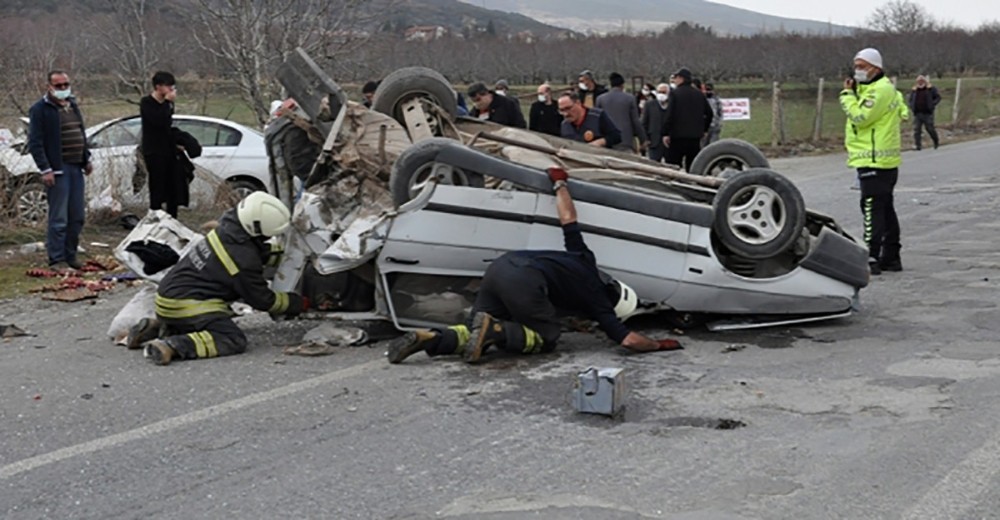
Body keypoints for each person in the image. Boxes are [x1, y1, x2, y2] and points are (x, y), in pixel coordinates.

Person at [386, 167, 682, 365]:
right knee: (548, 337)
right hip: (524, 282)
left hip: (501, 267)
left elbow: (568, 217)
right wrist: (657, 346)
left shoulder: (583, 258)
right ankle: (498, 333)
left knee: (473, 327)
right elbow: (629, 341)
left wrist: (560, 183)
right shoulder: (598, 304)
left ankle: (434, 339)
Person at [127, 192, 309, 365]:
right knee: (231, 338)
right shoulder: (242, 259)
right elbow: (262, 299)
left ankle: (157, 328)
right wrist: (298, 303)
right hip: (188, 305)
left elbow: (253, 251)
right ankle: (173, 346)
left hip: (167, 298)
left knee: (199, 322)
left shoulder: (228, 229)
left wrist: (287, 257)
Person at [839, 48, 908, 275]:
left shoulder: (880, 91)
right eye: (856, 66)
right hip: (877, 159)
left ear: (875, 68)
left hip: (875, 160)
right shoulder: (877, 89)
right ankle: (891, 256)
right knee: (885, 208)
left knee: (871, 208)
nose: (858, 71)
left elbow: (861, 116)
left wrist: (847, 96)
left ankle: (871, 256)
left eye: (862, 66)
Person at [27, 69, 93, 270]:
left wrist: (86, 158)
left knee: (77, 216)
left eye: (66, 84)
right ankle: (57, 259)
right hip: (58, 169)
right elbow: (35, 143)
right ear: (49, 87)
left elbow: (80, 132)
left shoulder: (72, 105)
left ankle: (70, 255)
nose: (63, 88)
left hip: (76, 166)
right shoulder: (40, 109)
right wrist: (46, 168)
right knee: (59, 218)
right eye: (59, 86)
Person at [140, 71, 182, 218]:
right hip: (154, 151)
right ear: (158, 87)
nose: (171, 89)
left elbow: (168, 123)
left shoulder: (167, 105)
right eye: (168, 86)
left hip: (169, 150)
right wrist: (168, 103)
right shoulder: (147, 103)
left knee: (173, 186)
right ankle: (155, 214)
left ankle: (172, 217)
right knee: (157, 185)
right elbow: (158, 121)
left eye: (172, 86)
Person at [661, 68, 713, 172]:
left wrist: (665, 133)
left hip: (677, 136)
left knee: (673, 166)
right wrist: (704, 129)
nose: (675, 80)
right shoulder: (699, 94)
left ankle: (675, 185)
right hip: (694, 136)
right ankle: (693, 184)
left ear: (681, 78)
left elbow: (669, 114)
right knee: (693, 166)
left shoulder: (675, 94)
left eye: (676, 78)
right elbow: (709, 113)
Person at [595, 72, 647, 153]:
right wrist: (642, 139)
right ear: (622, 85)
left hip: (607, 141)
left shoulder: (600, 99)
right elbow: (635, 121)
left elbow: (597, 121)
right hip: (625, 140)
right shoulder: (630, 99)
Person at [907, 75, 941, 150]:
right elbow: (911, 99)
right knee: (917, 130)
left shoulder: (930, 89)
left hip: (928, 113)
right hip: (918, 113)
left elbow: (938, 97)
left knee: (930, 128)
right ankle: (918, 145)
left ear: (925, 81)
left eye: (922, 81)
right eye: (919, 81)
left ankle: (936, 141)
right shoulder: (914, 90)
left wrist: (932, 104)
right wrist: (911, 106)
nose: (920, 82)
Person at [641, 83, 670, 162]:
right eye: (659, 92)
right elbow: (644, 123)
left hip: (669, 143)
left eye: (664, 92)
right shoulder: (649, 105)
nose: (661, 94)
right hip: (654, 141)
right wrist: (646, 138)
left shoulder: (672, 104)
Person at [703, 82, 724, 147]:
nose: (708, 92)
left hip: (715, 126)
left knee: (714, 146)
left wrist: (720, 123)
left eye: (709, 90)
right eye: (707, 90)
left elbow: (720, 112)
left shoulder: (717, 100)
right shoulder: (702, 99)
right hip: (705, 127)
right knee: (703, 146)